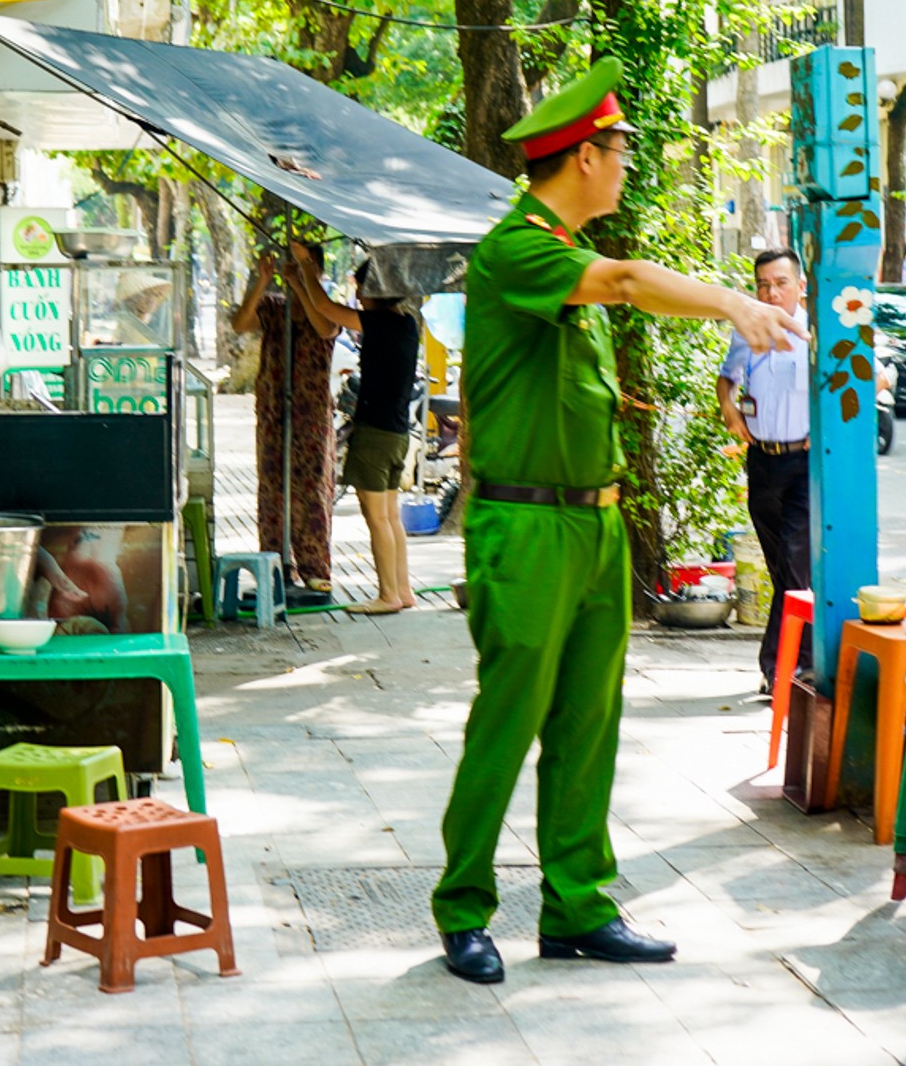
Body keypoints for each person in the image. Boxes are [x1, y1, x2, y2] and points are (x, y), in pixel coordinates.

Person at [431, 57, 804, 984]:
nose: (630, 164)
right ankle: (463, 907)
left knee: (590, 723)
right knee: (508, 721)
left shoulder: (565, 261)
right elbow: (632, 281)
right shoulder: (520, 249)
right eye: (622, 149)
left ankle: (577, 904)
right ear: (584, 156)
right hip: (527, 530)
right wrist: (732, 300)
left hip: (592, 525)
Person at [288, 245, 422, 614]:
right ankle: (403, 590)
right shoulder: (407, 324)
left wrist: (305, 269)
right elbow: (324, 309)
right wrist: (301, 284)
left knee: (376, 516)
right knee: (390, 516)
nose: (358, 296)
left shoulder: (380, 323)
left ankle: (388, 595)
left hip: (376, 434)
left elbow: (327, 310)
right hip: (397, 434)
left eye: (362, 289)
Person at [716, 248, 812, 691]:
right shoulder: (748, 329)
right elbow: (727, 378)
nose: (772, 293)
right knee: (782, 568)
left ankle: (779, 669)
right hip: (763, 463)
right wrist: (729, 408)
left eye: (781, 283)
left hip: (805, 464)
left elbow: (867, 379)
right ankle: (803, 660)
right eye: (763, 285)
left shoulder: (820, 334)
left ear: (800, 286)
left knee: (794, 564)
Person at [232, 246, 338, 595]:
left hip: (310, 412)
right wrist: (263, 281)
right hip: (275, 409)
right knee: (273, 487)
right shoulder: (275, 307)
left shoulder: (325, 307)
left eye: (307, 267)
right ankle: (275, 565)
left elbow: (324, 328)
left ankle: (314, 566)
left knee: (310, 488)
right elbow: (240, 324)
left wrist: (304, 284)